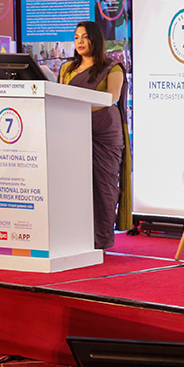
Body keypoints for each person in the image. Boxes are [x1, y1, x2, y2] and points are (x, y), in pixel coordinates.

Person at [59, 21, 129, 250]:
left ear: (95, 40)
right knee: (72, 184)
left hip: (104, 134)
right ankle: (74, 237)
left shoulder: (112, 67)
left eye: (85, 37)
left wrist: (79, 108)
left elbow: (112, 98)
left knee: (104, 186)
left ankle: (100, 241)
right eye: (76, 36)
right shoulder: (67, 69)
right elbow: (61, 97)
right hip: (72, 131)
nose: (79, 41)